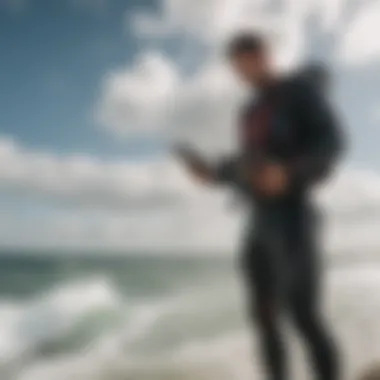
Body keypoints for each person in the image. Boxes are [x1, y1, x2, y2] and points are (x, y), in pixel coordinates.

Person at [177, 32, 345, 380]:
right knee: (263, 319)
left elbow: (331, 140)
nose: (243, 76)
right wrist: (211, 173)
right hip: (258, 224)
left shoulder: (299, 91)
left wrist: (290, 172)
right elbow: (247, 165)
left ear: (264, 55)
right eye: (237, 70)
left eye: (246, 65)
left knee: (304, 316)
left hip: (294, 218)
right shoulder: (250, 111)